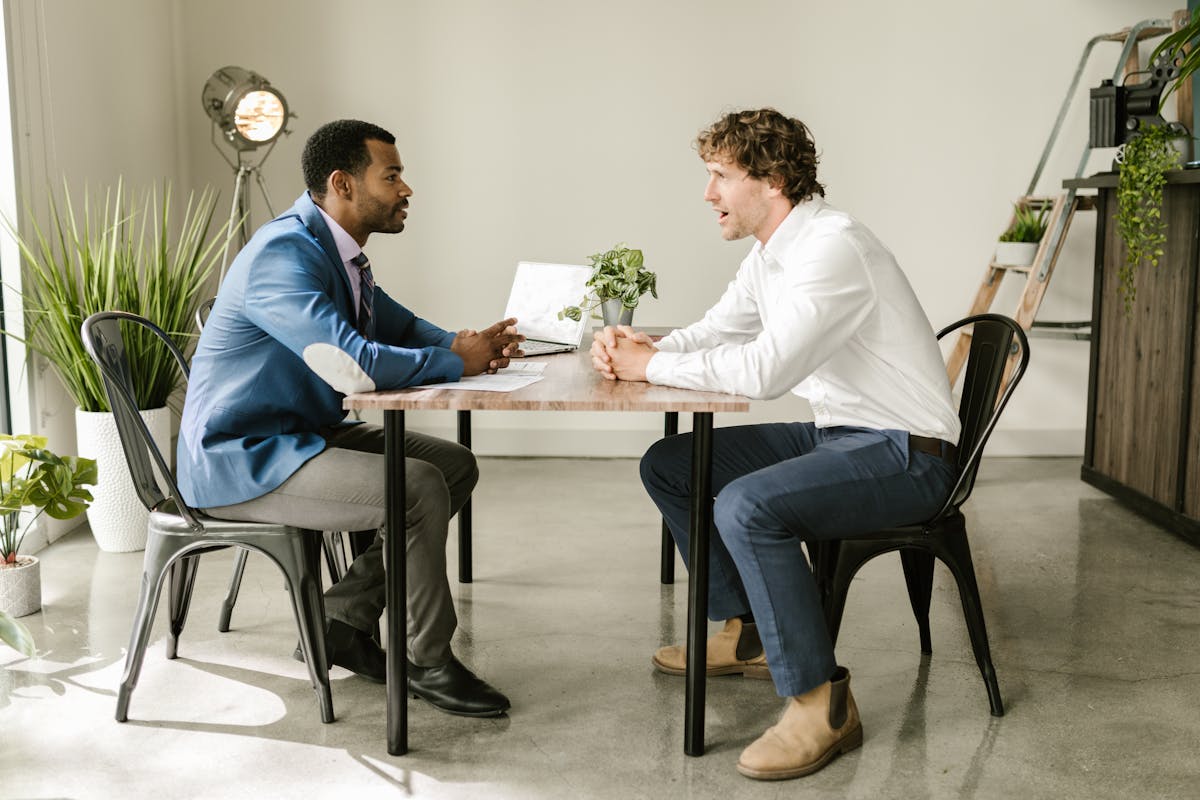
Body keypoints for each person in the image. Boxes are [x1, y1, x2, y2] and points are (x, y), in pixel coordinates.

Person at [591, 108, 961, 780]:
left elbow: (764, 371)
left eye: (720, 177)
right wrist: (646, 347)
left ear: (774, 180)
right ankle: (749, 632)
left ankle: (823, 703)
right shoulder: (775, 253)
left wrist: (649, 369)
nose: (709, 195)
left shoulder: (832, 246)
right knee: (674, 464)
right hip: (840, 434)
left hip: (906, 454)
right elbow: (719, 329)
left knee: (746, 505)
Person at [178, 119, 522, 718]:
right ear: (342, 183)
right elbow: (353, 366)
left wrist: (467, 345)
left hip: (301, 436)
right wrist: (452, 361)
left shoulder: (337, 252)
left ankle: (342, 619)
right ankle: (427, 660)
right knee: (413, 487)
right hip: (244, 455)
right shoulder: (284, 254)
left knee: (451, 464)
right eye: (391, 176)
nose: (406, 189)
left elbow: (400, 325)